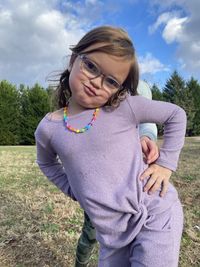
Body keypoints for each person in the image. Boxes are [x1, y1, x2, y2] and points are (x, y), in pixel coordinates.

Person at [35, 26, 186, 267]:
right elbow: (46, 162)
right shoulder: (48, 128)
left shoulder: (123, 107)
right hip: (111, 237)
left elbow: (176, 115)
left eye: (111, 81)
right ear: (74, 60)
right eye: (91, 66)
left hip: (152, 215)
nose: (96, 82)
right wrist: (74, 189)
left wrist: (166, 164)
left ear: (120, 88)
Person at [75, 80, 159, 267]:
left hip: (133, 177)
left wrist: (146, 137)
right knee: (91, 233)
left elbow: (147, 120)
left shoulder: (141, 86)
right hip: (99, 180)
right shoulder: (100, 84)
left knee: (133, 234)